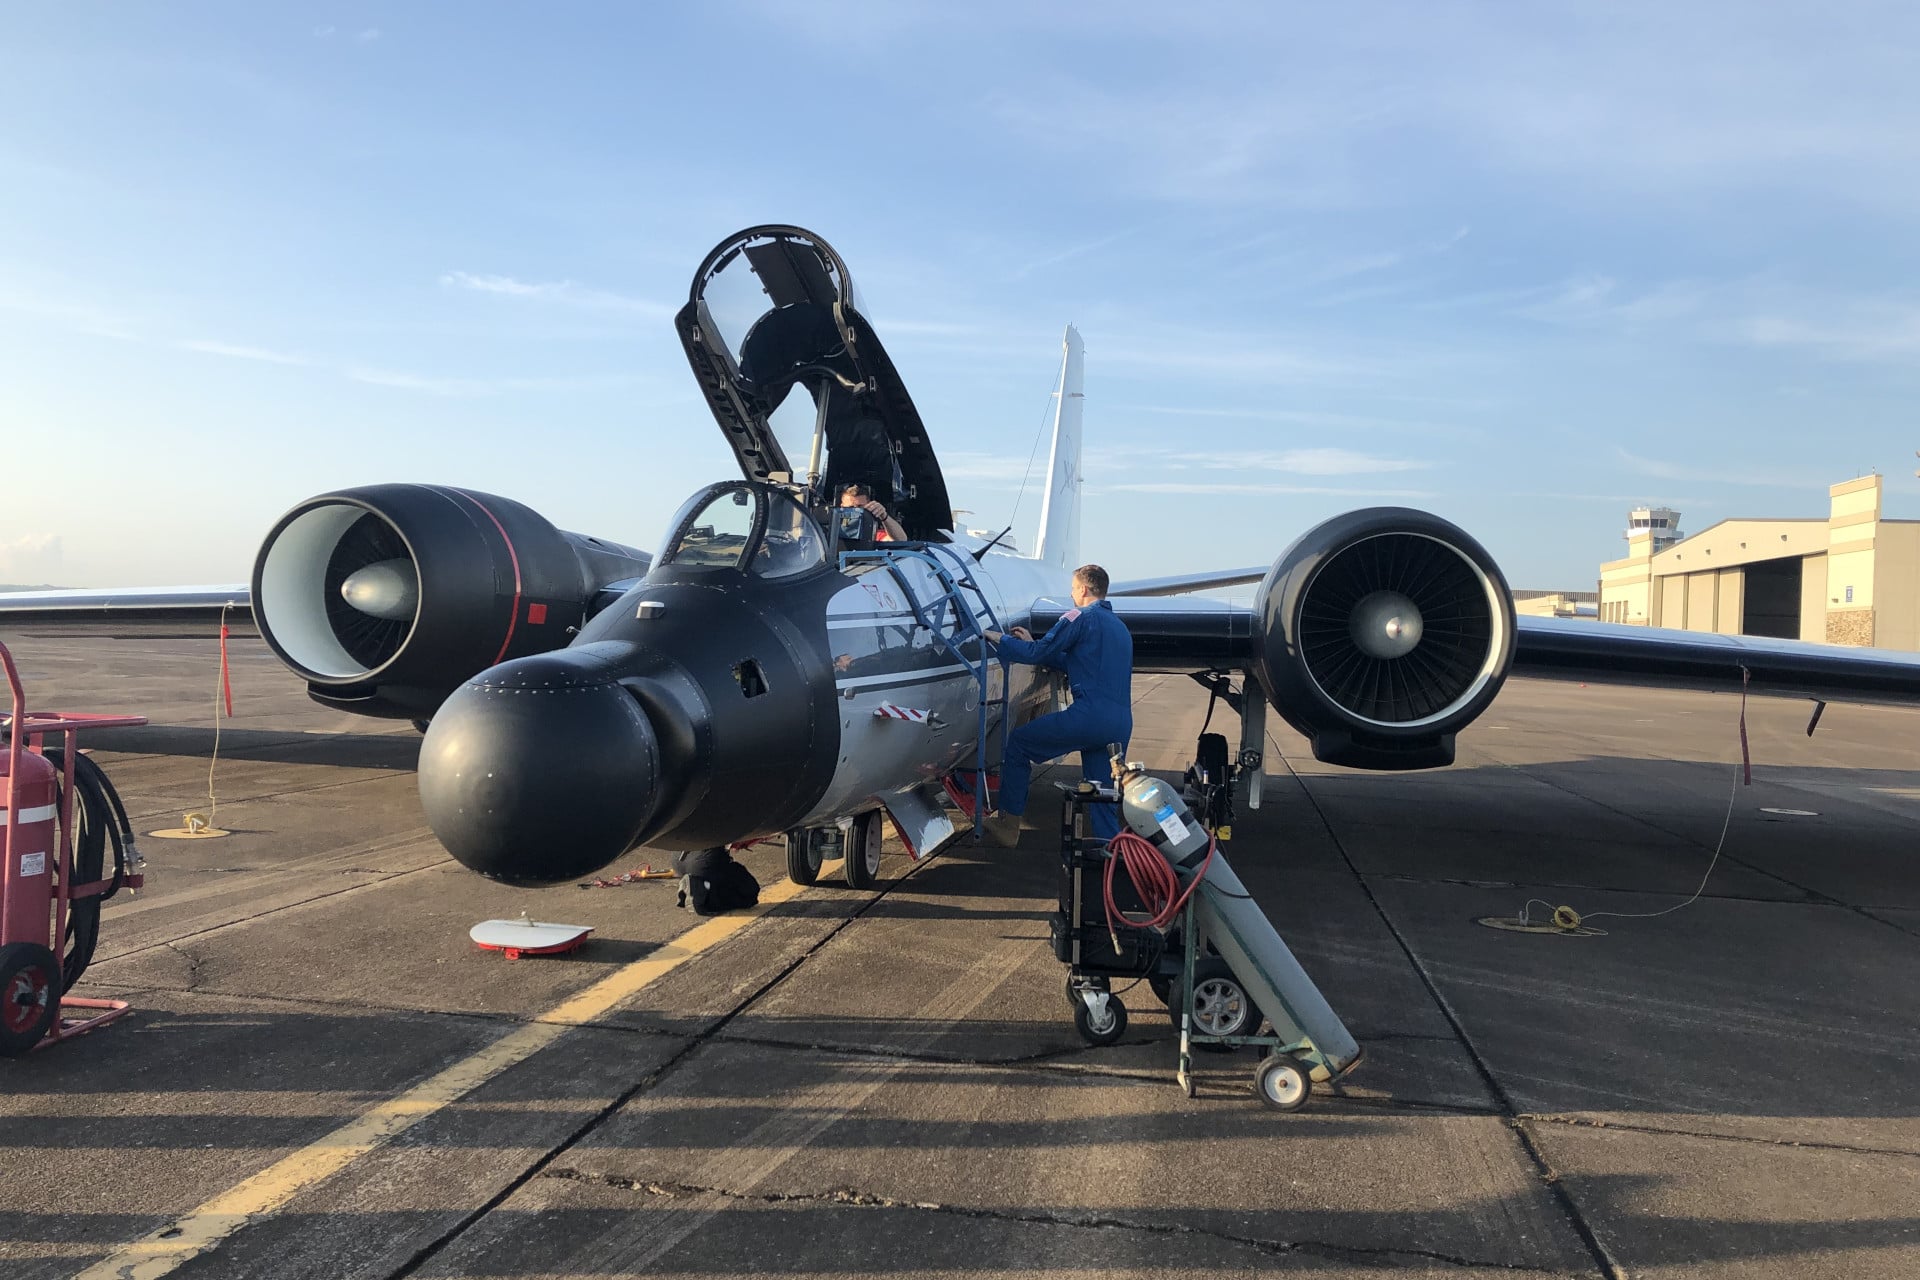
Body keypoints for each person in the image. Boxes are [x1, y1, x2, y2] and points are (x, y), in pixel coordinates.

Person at [982, 564, 1133, 845]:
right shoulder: (1120, 628)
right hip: (1120, 724)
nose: (1072, 593)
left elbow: (1038, 652)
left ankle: (1008, 824)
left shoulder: (1078, 617)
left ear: (1084, 589)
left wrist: (1000, 640)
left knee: (1018, 744)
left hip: (1089, 717)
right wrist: (1038, 648)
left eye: (1074, 588)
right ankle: (1111, 858)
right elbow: (1077, 664)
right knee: (1102, 797)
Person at [837, 483, 907, 542]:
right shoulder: (832, 534)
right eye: (851, 508)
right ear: (841, 507)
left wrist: (884, 516)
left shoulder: (874, 535)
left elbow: (901, 540)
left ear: (869, 506)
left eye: (860, 507)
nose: (855, 512)